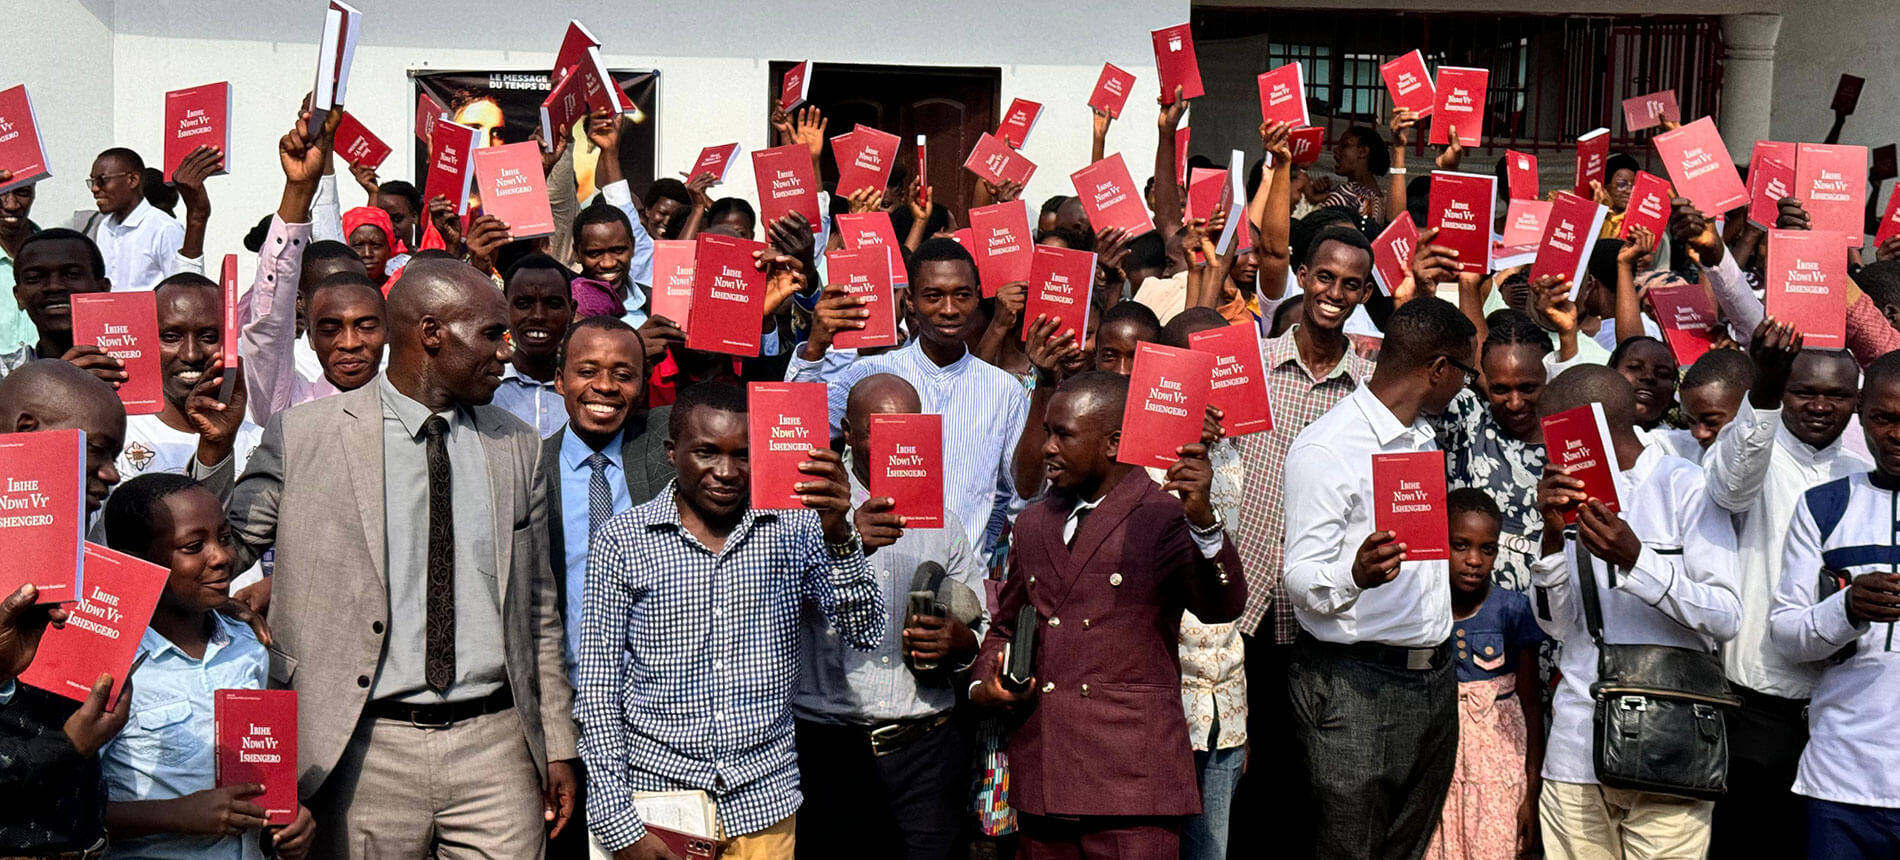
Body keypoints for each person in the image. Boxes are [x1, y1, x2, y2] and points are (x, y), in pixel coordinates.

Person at [209, 258, 580, 859]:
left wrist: (557, 741)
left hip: (497, 748)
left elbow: (537, 608)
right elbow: (218, 553)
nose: (506, 354)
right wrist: (213, 454)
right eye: (490, 334)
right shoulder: (303, 436)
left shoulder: (517, 445)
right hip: (359, 748)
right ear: (432, 333)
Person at [576, 382, 883, 860]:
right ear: (672, 452)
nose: (725, 471)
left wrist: (840, 532)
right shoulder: (623, 540)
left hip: (765, 802)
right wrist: (619, 823)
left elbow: (864, 630)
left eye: (743, 454)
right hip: (659, 804)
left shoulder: (796, 528)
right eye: (706, 452)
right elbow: (598, 690)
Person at [969, 371, 1246, 859]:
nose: (1047, 448)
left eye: (1064, 435)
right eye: (1047, 432)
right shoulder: (1033, 523)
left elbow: (1220, 604)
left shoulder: (1163, 516)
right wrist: (986, 680)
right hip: (1045, 776)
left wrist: (1204, 521)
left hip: (1131, 784)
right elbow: (1008, 625)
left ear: (1114, 443)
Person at [1281, 296, 1476, 860]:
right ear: (1438, 370)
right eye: (1465, 372)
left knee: (1405, 849)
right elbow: (1298, 577)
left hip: (1433, 679)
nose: (1466, 387)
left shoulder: (1420, 438)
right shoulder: (1328, 447)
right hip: (1355, 687)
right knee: (1348, 850)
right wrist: (1354, 575)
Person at [1530, 365, 1741, 860]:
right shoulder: (1569, 490)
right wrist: (1550, 535)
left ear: (1588, 426)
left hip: (1670, 742)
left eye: (1555, 432)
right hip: (1579, 742)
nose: (1549, 446)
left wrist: (1638, 561)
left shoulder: (1684, 485)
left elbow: (1726, 615)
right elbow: (1555, 625)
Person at [1229, 224, 1378, 858]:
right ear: (1301, 274)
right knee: (1235, 766)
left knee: (1307, 771)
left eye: (1350, 284)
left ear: (1364, 291)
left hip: (1324, 607)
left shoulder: (1372, 383)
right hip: (1242, 602)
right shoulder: (1248, 365)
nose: (1334, 293)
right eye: (1324, 277)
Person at [793, 373, 986, 860]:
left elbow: (980, 627)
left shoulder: (945, 518)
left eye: (909, 429)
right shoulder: (802, 509)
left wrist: (959, 643)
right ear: (848, 432)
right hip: (827, 753)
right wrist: (841, 543)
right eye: (880, 430)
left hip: (926, 754)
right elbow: (766, 606)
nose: (897, 443)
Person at [1703, 321, 1867, 859]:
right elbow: (1729, 488)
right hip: (1757, 709)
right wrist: (1766, 385)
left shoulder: (1864, 473)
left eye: (1837, 395)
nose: (1820, 405)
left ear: (1857, 403)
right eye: (1805, 391)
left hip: (1843, 714)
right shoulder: (1753, 451)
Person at [98, 473, 317, 860]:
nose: (222, 557)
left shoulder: (249, 648)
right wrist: (173, 815)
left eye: (226, 537)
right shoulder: (111, 665)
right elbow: (63, 809)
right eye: (194, 546)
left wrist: (289, 819)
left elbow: (263, 770)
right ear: (139, 560)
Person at [789, 238, 1030, 555]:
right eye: (934, 296)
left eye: (962, 295)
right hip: (875, 567)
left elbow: (1018, 494)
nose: (949, 309)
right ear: (911, 303)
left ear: (976, 298)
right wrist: (814, 346)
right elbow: (796, 433)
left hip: (960, 583)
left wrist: (985, 565)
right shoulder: (870, 374)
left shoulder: (1004, 390)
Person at [534, 316, 667, 860]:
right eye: (587, 371)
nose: (606, 387)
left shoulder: (665, 456)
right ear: (559, 379)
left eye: (623, 374)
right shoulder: (528, 466)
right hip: (560, 709)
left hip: (652, 717)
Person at [1770, 350, 1900, 859]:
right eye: (1884, 418)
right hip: (1842, 780)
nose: (1896, 434)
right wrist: (1845, 610)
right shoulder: (1826, 504)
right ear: (1860, 414)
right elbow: (1786, 633)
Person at [0, 359, 132, 856]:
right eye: (97, 449)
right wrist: (69, 746)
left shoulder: (75, 562)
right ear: (27, 431)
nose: (111, 473)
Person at [241, 110, 386, 425]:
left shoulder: (412, 408)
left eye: (366, 325)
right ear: (309, 327)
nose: (349, 343)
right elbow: (268, 325)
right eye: (331, 327)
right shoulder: (292, 407)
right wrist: (298, 190)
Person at [1425, 489, 1547, 860]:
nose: (1474, 560)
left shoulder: (1513, 610)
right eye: (1460, 546)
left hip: (1500, 774)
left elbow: (1530, 705)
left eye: (1487, 549)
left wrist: (1531, 792)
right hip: (1439, 772)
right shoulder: (1423, 610)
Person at [1434, 313, 1551, 592]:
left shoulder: (1571, 442)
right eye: (1500, 389)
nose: (1514, 402)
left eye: (1528, 388)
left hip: (1547, 609)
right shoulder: (1465, 420)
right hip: (1466, 610)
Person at [117, 274, 263, 487]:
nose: (191, 355)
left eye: (209, 337)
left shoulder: (260, 444)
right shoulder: (119, 437)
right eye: (171, 337)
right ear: (145, 340)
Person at [4, 228, 115, 379]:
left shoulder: (132, 367)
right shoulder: (5, 375)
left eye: (72, 275)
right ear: (19, 296)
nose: (54, 287)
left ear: (103, 289)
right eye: (35, 277)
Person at [495, 255, 579, 438]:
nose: (538, 316)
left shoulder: (585, 390)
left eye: (553, 304)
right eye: (523, 304)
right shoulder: (486, 388)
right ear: (503, 308)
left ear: (571, 312)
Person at [83, 148, 186, 291]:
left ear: (132, 180)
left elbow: (181, 290)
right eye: (92, 181)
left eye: (102, 181)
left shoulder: (164, 228)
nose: (94, 189)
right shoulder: (104, 227)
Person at [1609, 335, 1695, 460]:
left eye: (1663, 374)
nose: (1649, 377)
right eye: (1635, 367)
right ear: (1610, 374)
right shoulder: (1582, 442)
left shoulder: (1688, 448)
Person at [1678, 348, 1753, 451]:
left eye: (1711, 422)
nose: (1698, 434)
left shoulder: (1777, 459)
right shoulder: (1678, 449)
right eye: (1690, 421)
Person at [0, 177, 41, 355]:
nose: (11, 205)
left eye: (22, 192)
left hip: (46, 375)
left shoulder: (55, 253)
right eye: (1, 193)